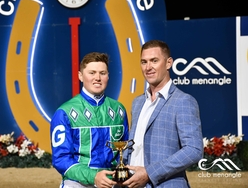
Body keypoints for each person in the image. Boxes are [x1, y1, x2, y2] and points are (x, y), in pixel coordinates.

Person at [122, 40, 203, 188]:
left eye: (154, 61)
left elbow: (194, 150)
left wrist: (149, 173)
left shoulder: (183, 101)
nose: (148, 67)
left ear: (168, 63)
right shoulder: (137, 102)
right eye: (144, 62)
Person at [50, 52, 129, 188]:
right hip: (77, 182)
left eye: (102, 73)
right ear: (80, 76)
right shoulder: (64, 112)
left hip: (112, 182)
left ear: (108, 76)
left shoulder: (119, 110)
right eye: (92, 73)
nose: (97, 78)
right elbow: (61, 159)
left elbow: (126, 151)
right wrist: (93, 177)